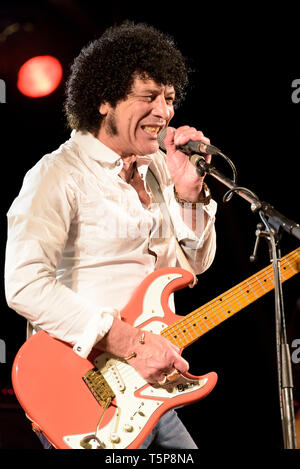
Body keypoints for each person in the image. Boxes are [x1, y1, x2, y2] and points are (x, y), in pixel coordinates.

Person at [5, 22, 217, 449]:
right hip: (85, 390)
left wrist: (190, 196)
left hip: (148, 389)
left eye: (170, 98)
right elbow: (24, 284)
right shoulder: (57, 175)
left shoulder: (157, 167)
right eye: (149, 97)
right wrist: (132, 342)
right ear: (103, 100)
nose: (164, 112)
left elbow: (190, 267)